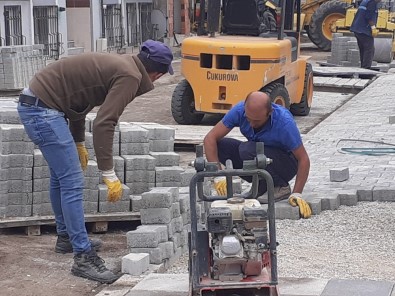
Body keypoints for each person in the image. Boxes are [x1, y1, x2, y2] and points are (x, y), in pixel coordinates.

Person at [17, 40, 174, 283]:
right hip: (43, 110)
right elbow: (104, 122)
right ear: (157, 73)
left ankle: (66, 238)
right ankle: (83, 257)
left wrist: (78, 142)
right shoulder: (130, 75)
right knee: (72, 181)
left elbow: (79, 103)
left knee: (61, 176)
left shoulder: (118, 65)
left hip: (39, 104)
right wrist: (108, 172)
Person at [203, 91, 312, 219]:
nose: (251, 124)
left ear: (269, 113)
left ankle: (281, 186)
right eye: (248, 119)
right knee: (222, 145)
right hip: (257, 157)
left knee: (247, 149)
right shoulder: (239, 110)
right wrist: (218, 175)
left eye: (257, 121)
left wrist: (297, 193)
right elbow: (210, 138)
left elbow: (303, 158)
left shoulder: (284, 123)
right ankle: (261, 185)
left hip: (285, 164)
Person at [350, 0, 381, 69]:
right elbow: (369, 16)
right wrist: (373, 28)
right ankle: (366, 69)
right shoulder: (372, 3)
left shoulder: (365, 1)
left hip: (357, 29)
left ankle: (363, 68)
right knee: (369, 49)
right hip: (363, 30)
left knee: (363, 49)